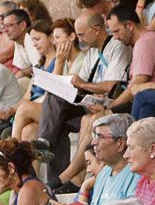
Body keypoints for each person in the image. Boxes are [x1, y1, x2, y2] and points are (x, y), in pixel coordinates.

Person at [32, 13, 131, 184]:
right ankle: (49, 157)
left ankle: (65, 177)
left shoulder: (116, 47)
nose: (79, 39)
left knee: (82, 118)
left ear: (97, 29)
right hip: (91, 101)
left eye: (82, 34)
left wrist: (84, 85)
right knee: (56, 105)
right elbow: (77, 83)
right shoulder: (91, 53)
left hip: (111, 103)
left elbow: (113, 85)